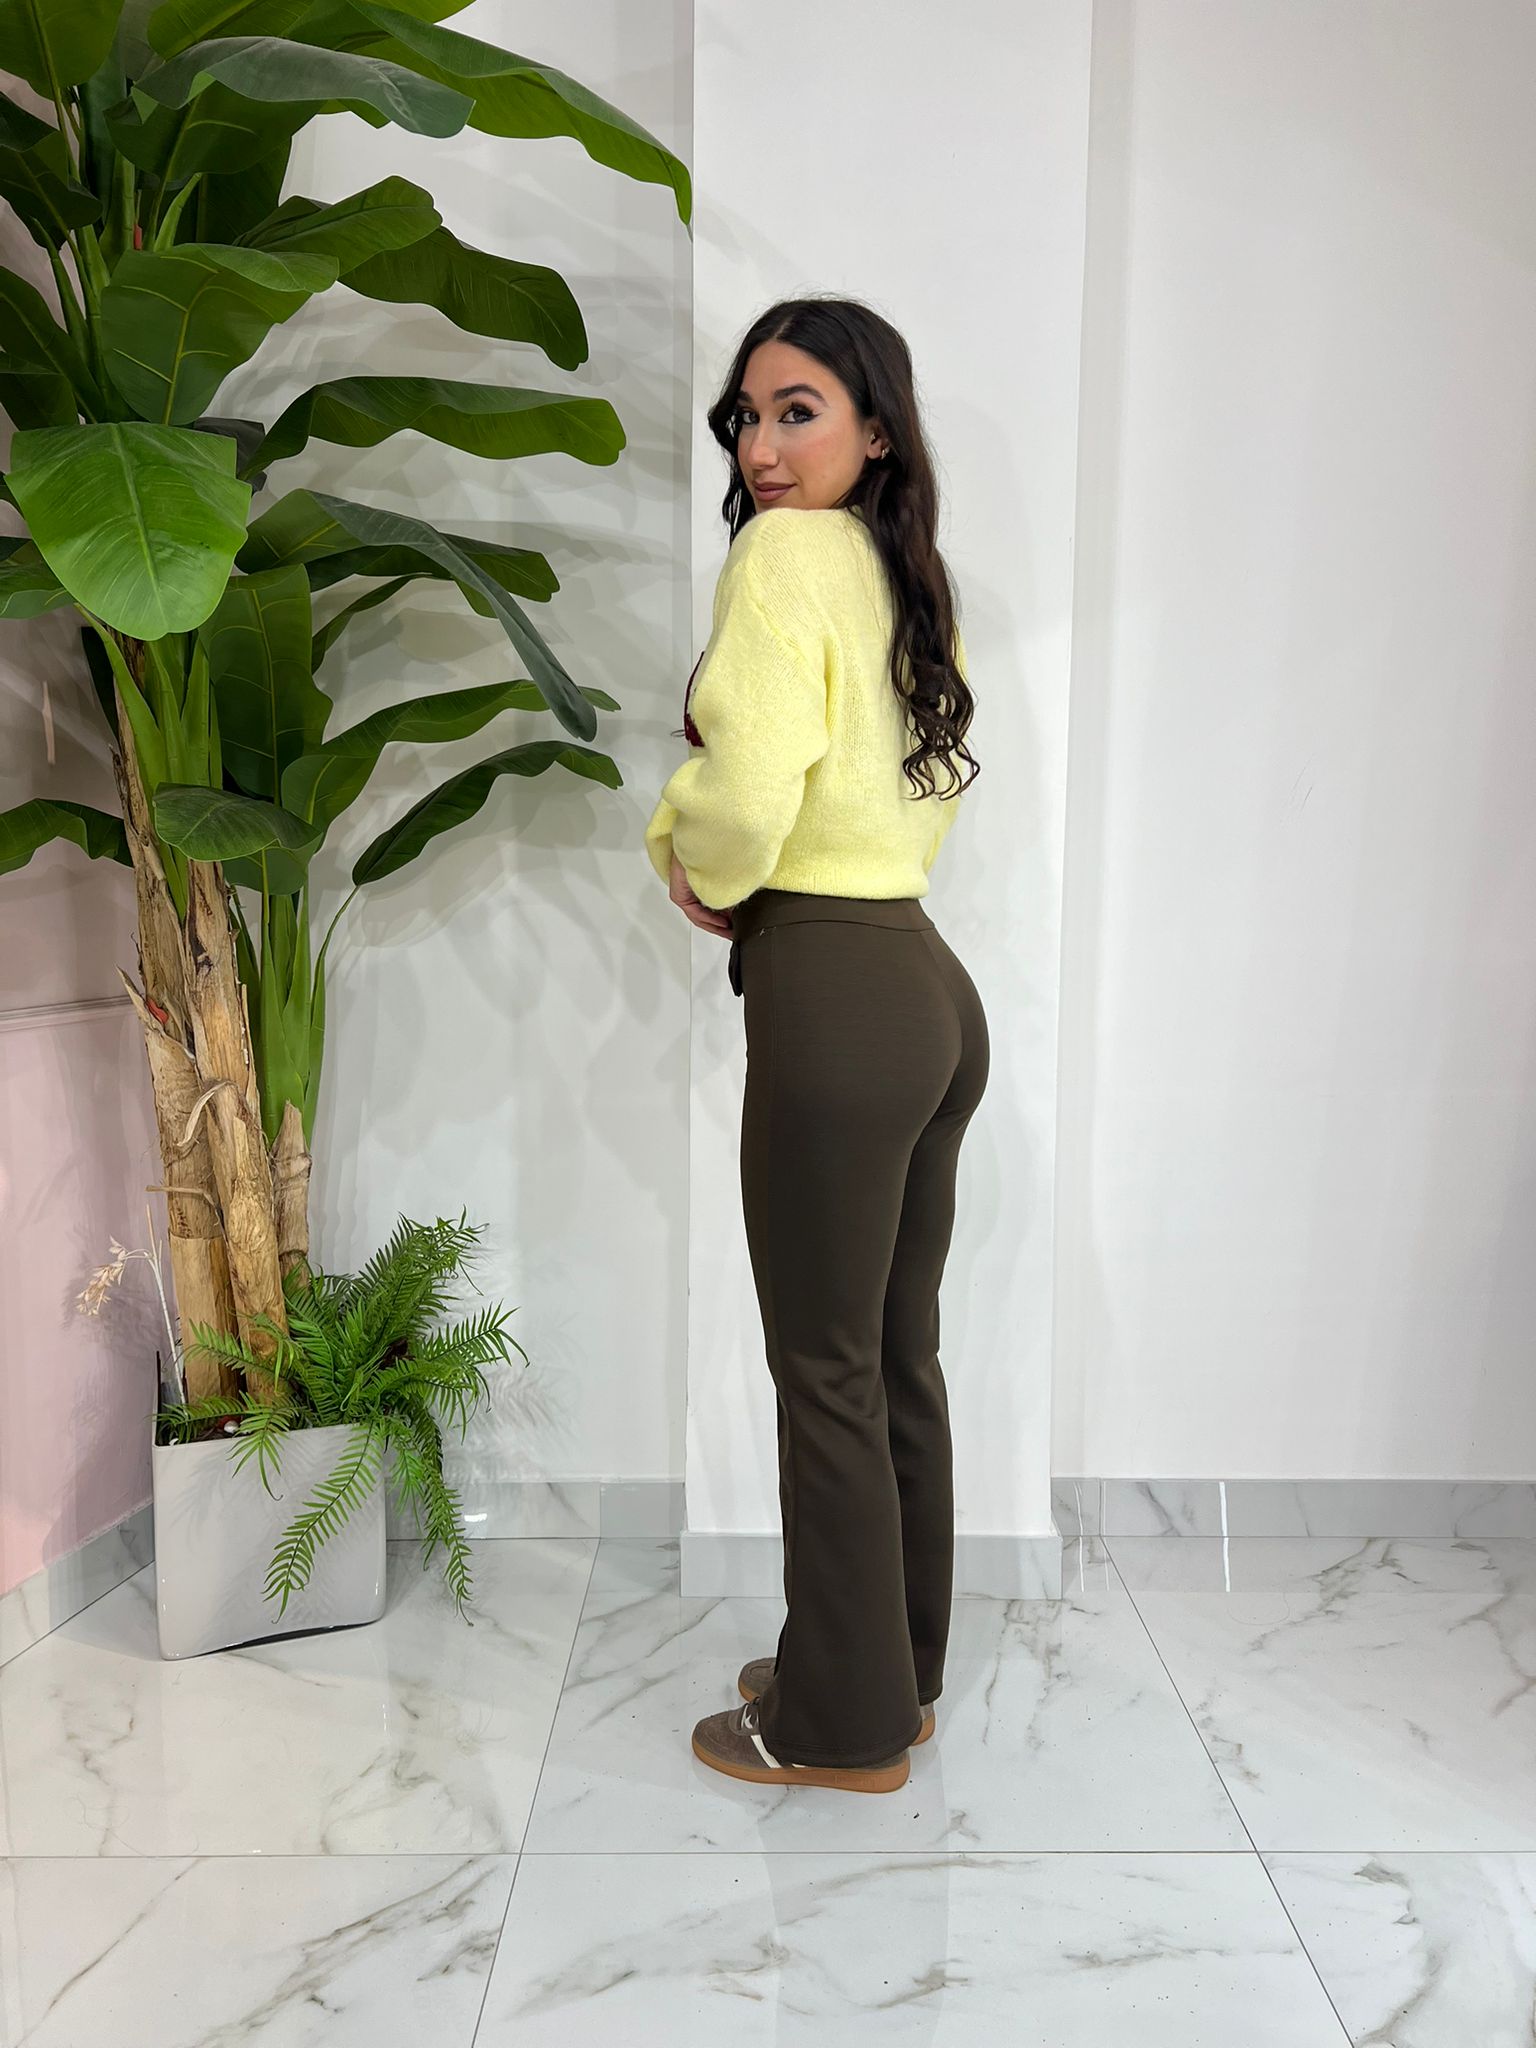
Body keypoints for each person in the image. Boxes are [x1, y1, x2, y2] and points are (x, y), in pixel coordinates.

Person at [643, 296, 990, 1795]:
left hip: (837, 988)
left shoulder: (785, 557)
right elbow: (922, 784)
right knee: (893, 1353)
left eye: (799, 411)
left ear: (876, 429)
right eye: (748, 416)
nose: (763, 447)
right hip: (926, 983)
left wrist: (691, 856)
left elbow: (750, 783)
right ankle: (893, 1668)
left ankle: (838, 1727)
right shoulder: (905, 575)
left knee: (825, 1365)